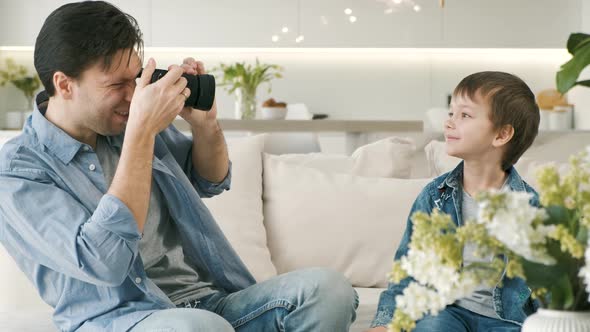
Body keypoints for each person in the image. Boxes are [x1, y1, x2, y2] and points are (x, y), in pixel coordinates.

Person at [0, 1, 357, 331]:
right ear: (64, 84)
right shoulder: (18, 170)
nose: (133, 95)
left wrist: (205, 124)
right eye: (117, 84)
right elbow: (102, 262)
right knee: (199, 328)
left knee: (328, 289)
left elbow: (211, 179)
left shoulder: (127, 123)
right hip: (120, 320)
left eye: (136, 78)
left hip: (207, 302)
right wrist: (141, 130)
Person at [367, 71, 540, 332]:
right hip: (447, 312)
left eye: (465, 115)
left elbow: (544, 284)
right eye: (451, 113)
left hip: (505, 321)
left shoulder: (530, 207)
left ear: (502, 135)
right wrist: (387, 323)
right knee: (432, 325)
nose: (449, 123)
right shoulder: (435, 196)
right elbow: (408, 269)